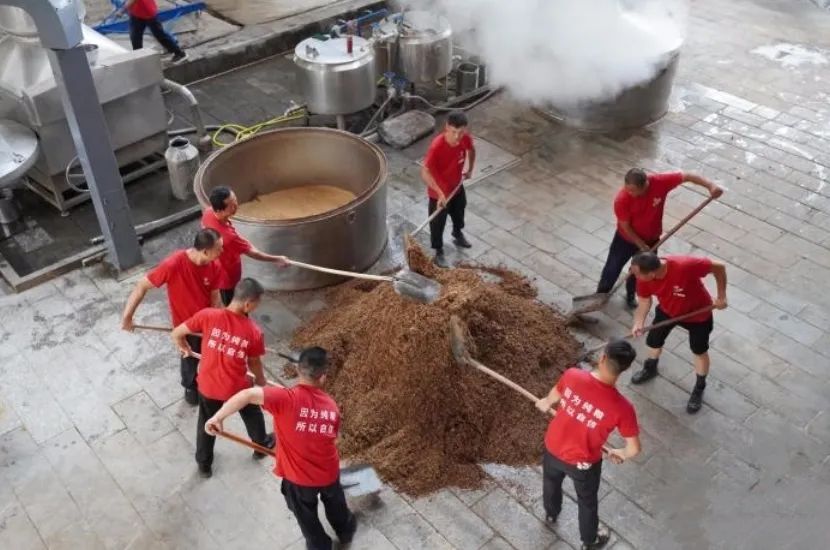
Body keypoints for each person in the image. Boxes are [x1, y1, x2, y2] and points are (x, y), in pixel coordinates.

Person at [205, 347, 357, 550]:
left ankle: (319, 545)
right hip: (328, 473)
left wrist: (217, 417)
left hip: (298, 480)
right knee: (336, 504)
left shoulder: (285, 399)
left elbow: (247, 394)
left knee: (306, 516)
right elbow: (332, 439)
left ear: (297, 370)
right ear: (322, 378)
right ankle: (345, 531)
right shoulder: (331, 407)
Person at [535, 341, 641, 550]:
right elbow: (634, 449)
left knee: (550, 482)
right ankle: (589, 540)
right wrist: (619, 453)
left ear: (602, 358)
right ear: (625, 369)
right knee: (587, 501)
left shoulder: (573, 375)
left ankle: (551, 512)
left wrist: (545, 402)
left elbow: (553, 397)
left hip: (553, 448)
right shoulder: (623, 408)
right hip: (583, 464)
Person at [171, 277, 276, 478]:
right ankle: (261, 446)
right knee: (252, 413)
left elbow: (177, 332)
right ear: (248, 303)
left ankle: (204, 463)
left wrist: (183, 346)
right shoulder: (253, 332)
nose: (256, 307)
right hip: (237, 389)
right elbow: (254, 364)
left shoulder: (207, 315)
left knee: (208, 422)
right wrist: (261, 383)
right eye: (256, 303)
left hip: (207, 386)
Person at [121, 228, 223, 405]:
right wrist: (127, 317)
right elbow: (141, 286)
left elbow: (215, 295)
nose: (222, 251)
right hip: (186, 326)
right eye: (219, 248)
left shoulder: (215, 265)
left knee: (211, 354)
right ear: (206, 251)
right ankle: (191, 387)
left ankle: (210, 383)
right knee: (189, 356)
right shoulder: (173, 264)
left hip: (207, 322)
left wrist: (216, 319)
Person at [596, 168, 723, 309]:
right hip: (625, 239)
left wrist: (711, 186)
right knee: (612, 267)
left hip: (652, 238)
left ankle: (631, 294)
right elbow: (625, 226)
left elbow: (688, 176)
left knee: (642, 272)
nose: (630, 193)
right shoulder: (622, 199)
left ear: (645, 185)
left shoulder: (660, 182)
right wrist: (640, 244)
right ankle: (600, 295)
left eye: (633, 191)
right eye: (628, 190)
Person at [629, 252, 728, 413]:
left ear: (652, 273)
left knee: (699, 350)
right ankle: (650, 368)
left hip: (698, 314)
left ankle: (699, 386)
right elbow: (644, 301)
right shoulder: (642, 278)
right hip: (668, 310)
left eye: (638, 273)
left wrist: (722, 296)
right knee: (653, 341)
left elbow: (719, 267)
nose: (635, 276)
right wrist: (638, 323)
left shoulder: (685, 265)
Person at [202, 186, 289, 305]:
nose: (236, 206)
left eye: (235, 201)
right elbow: (253, 253)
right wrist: (277, 259)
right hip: (228, 276)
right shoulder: (228, 238)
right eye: (231, 205)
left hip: (218, 268)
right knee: (235, 305)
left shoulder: (208, 213)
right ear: (219, 210)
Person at [421, 110, 477, 268]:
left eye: (461, 132)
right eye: (454, 132)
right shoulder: (437, 147)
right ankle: (438, 251)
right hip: (439, 193)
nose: (457, 137)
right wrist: (439, 193)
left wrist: (470, 169)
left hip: (456, 186)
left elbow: (471, 150)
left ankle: (457, 233)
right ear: (447, 127)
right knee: (437, 223)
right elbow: (425, 172)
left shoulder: (465, 138)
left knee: (460, 210)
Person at [117, 0, 187, 63]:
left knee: (160, 35)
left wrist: (122, 10)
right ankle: (139, 58)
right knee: (135, 37)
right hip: (136, 13)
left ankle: (179, 53)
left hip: (147, 13)